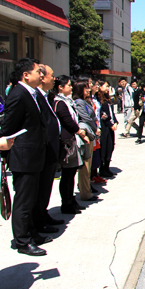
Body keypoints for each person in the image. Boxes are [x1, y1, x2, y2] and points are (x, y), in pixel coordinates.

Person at [0, 58, 50, 256]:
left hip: (34, 156)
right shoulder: (18, 94)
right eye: (38, 71)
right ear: (26, 75)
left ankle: (32, 233)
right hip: (24, 156)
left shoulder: (32, 93)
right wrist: (5, 153)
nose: (41, 75)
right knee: (24, 201)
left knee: (32, 199)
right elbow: (8, 128)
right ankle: (22, 241)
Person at [32, 65, 64, 235]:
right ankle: (39, 221)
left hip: (51, 149)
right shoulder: (35, 96)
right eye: (52, 76)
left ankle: (43, 214)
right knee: (40, 189)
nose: (54, 79)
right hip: (43, 151)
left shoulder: (46, 96)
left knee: (46, 188)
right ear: (42, 78)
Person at [52, 75, 89, 214]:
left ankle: (71, 200)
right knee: (67, 175)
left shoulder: (68, 101)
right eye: (68, 85)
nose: (71, 87)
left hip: (72, 140)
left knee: (72, 173)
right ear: (60, 87)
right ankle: (66, 203)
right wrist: (79, 131)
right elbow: (67, 121)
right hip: (67, 143)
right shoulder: (60, 103)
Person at [73, 80, 100, 202]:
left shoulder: (86, 101)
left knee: (88, 165)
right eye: (86, 88)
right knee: (85, 166)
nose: (88, 90)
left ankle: (86, 188)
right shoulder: (79, 102)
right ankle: (85, 192)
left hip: (90, 132)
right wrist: (95, 128)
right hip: (86, 134)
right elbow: (86, 118)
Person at [99, 81, 118, 177]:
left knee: (110, 147)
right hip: (105, 127)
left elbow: (111, 113)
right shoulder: (99, 99)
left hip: (110, 126)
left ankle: (107, 167)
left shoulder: (107, 98)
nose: (107, 88)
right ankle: (102, 169)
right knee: (104, 147)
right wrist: (110, 124)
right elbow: (103, 114)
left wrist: (115, 122)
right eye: (106, 86)